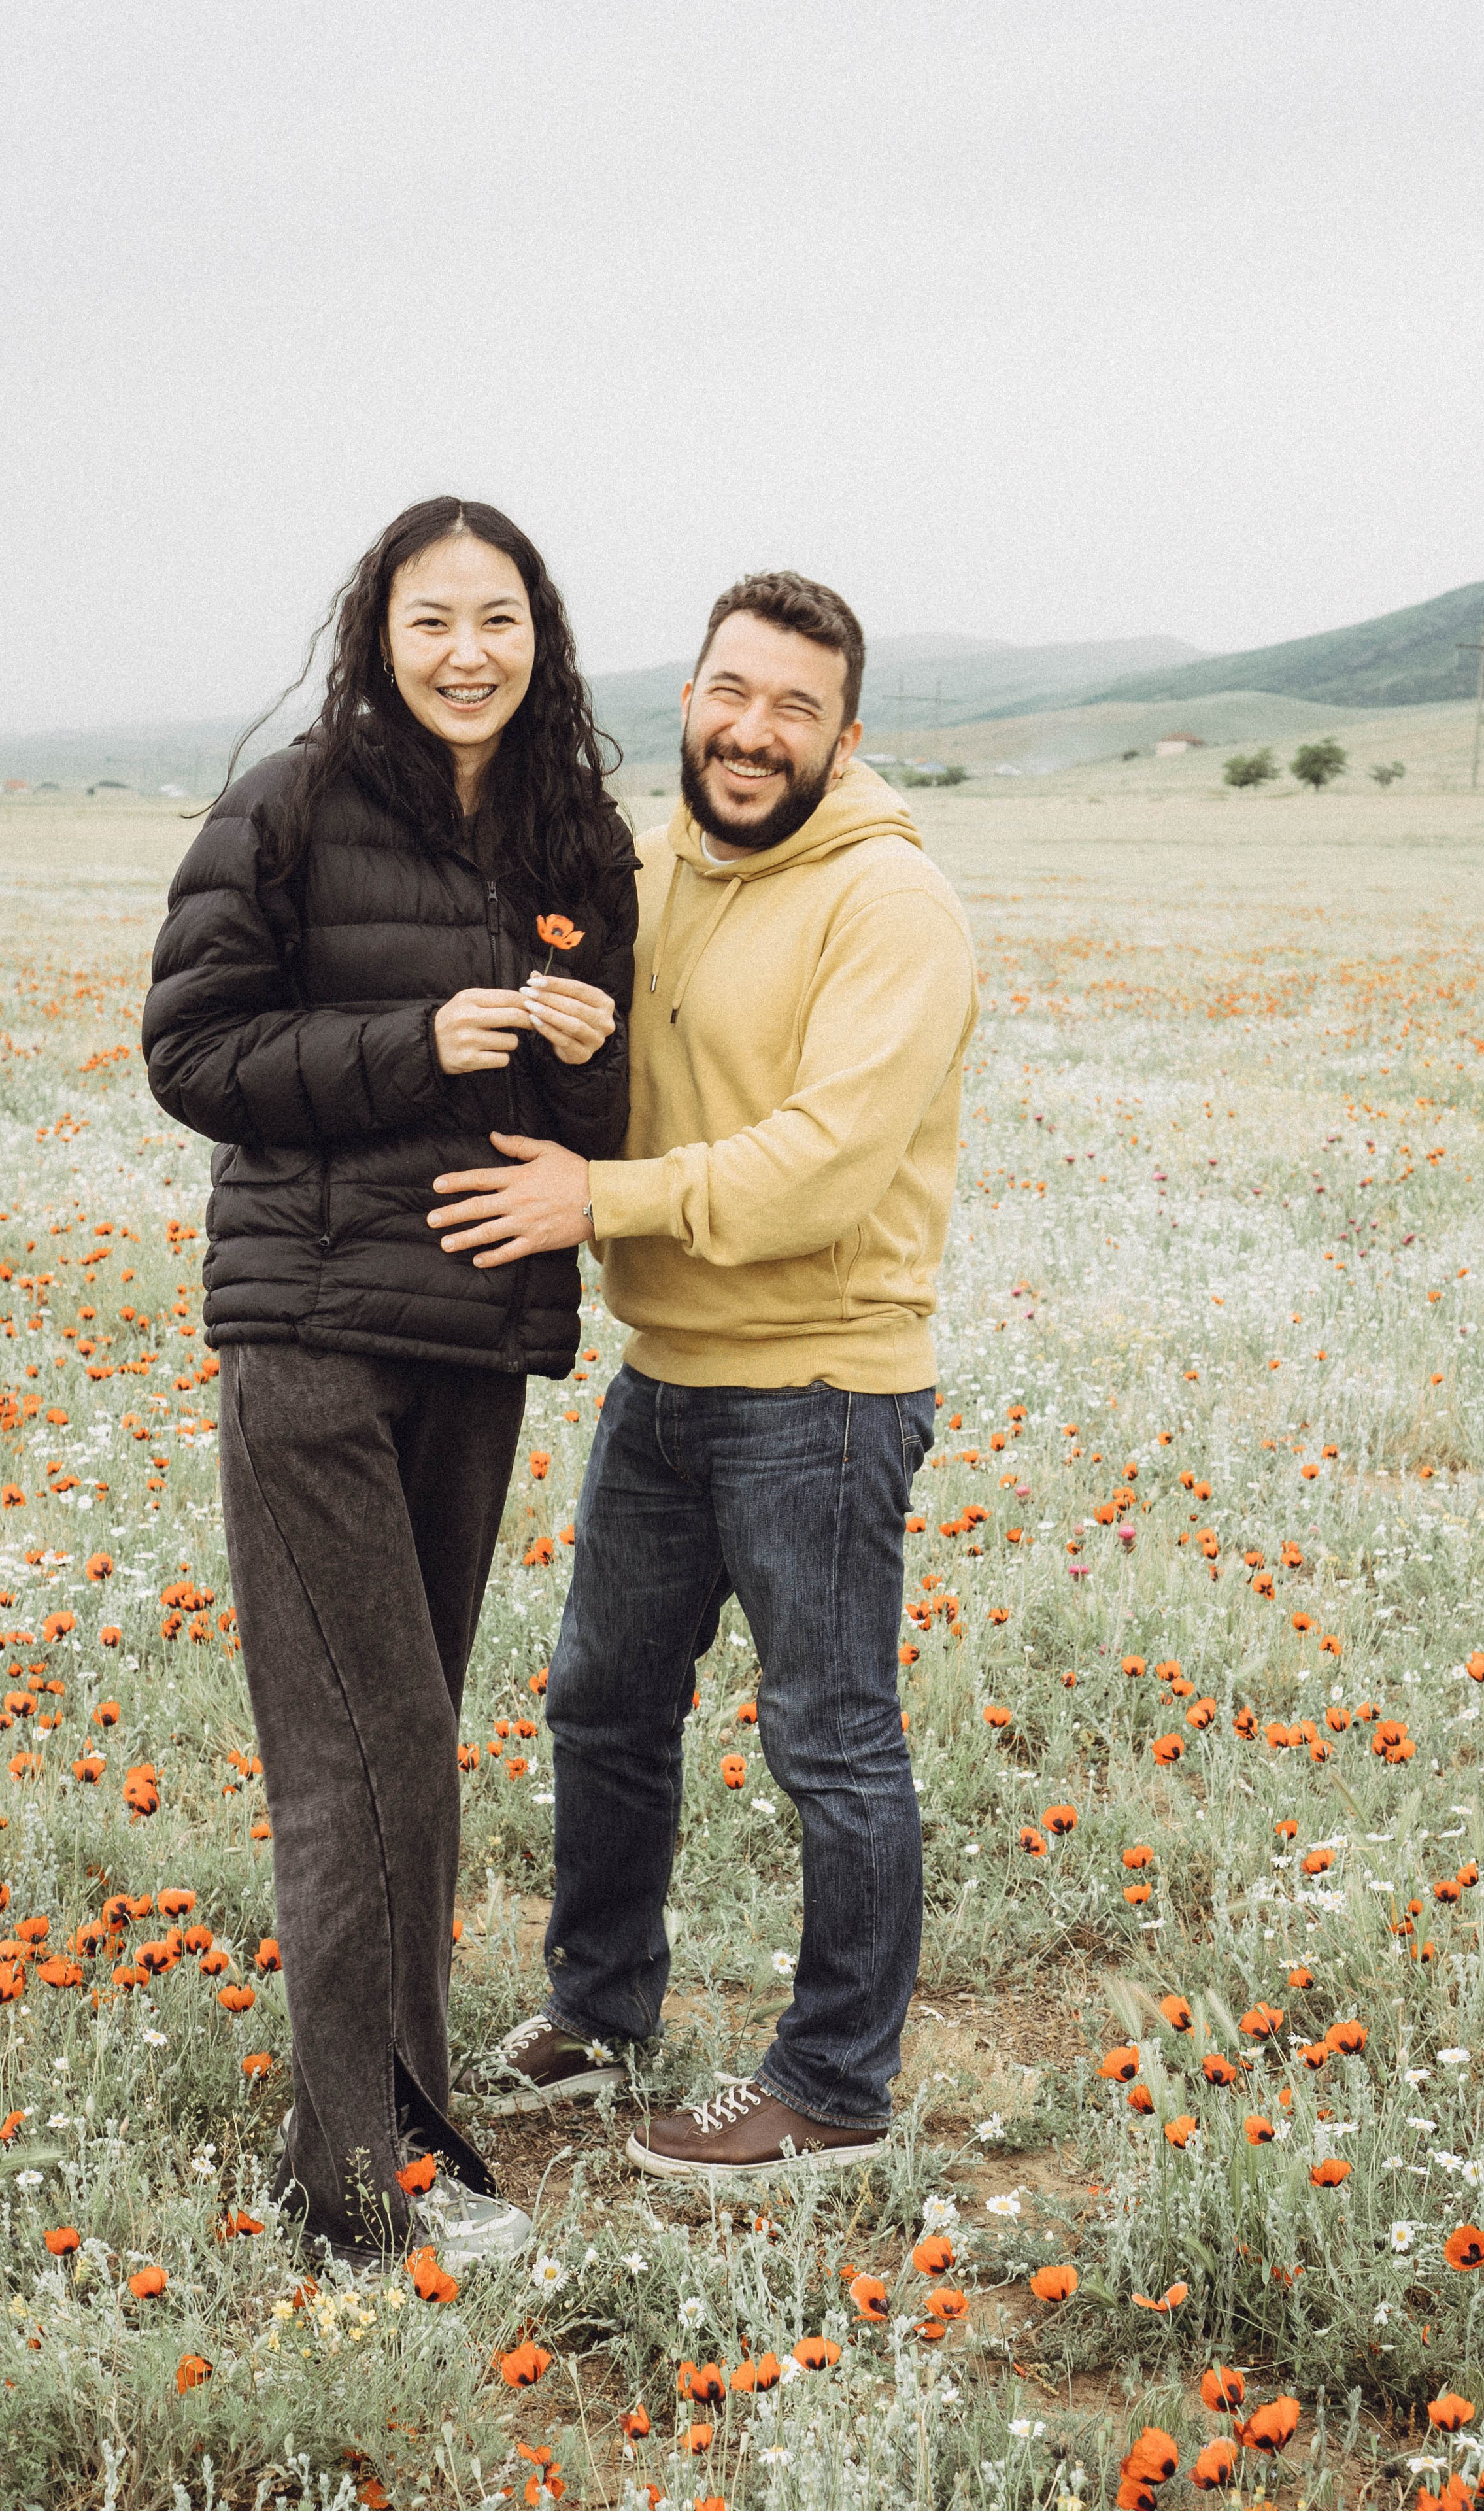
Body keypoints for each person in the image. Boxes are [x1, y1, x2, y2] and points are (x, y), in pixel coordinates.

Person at [142, 498, 637, 2261]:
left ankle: (386, 2113)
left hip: (474, 1336)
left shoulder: (575, 837)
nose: (466, 653)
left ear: (539, 634)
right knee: (374, 1750)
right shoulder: (286, 804)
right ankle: (364, 2182)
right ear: (380, 631)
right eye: (432, 620)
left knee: (407, 1732)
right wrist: (415, 1036)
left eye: (495, 619)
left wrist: (580, 1061)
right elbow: (191, 1052)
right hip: (311, 1329)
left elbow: (594, 1126)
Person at [441, 571, 978, 2176]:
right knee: (603, 1706)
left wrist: (593, 1200)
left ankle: (832, 2088)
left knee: (828, 1739)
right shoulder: (644, 863)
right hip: (665, 1373)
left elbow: (817, 1168)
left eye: (793, 709)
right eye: (729, 694)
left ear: (844, 733)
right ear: (685, 696)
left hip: (822, 1388)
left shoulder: (893, 908)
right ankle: (601, 2010)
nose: (752, 734)